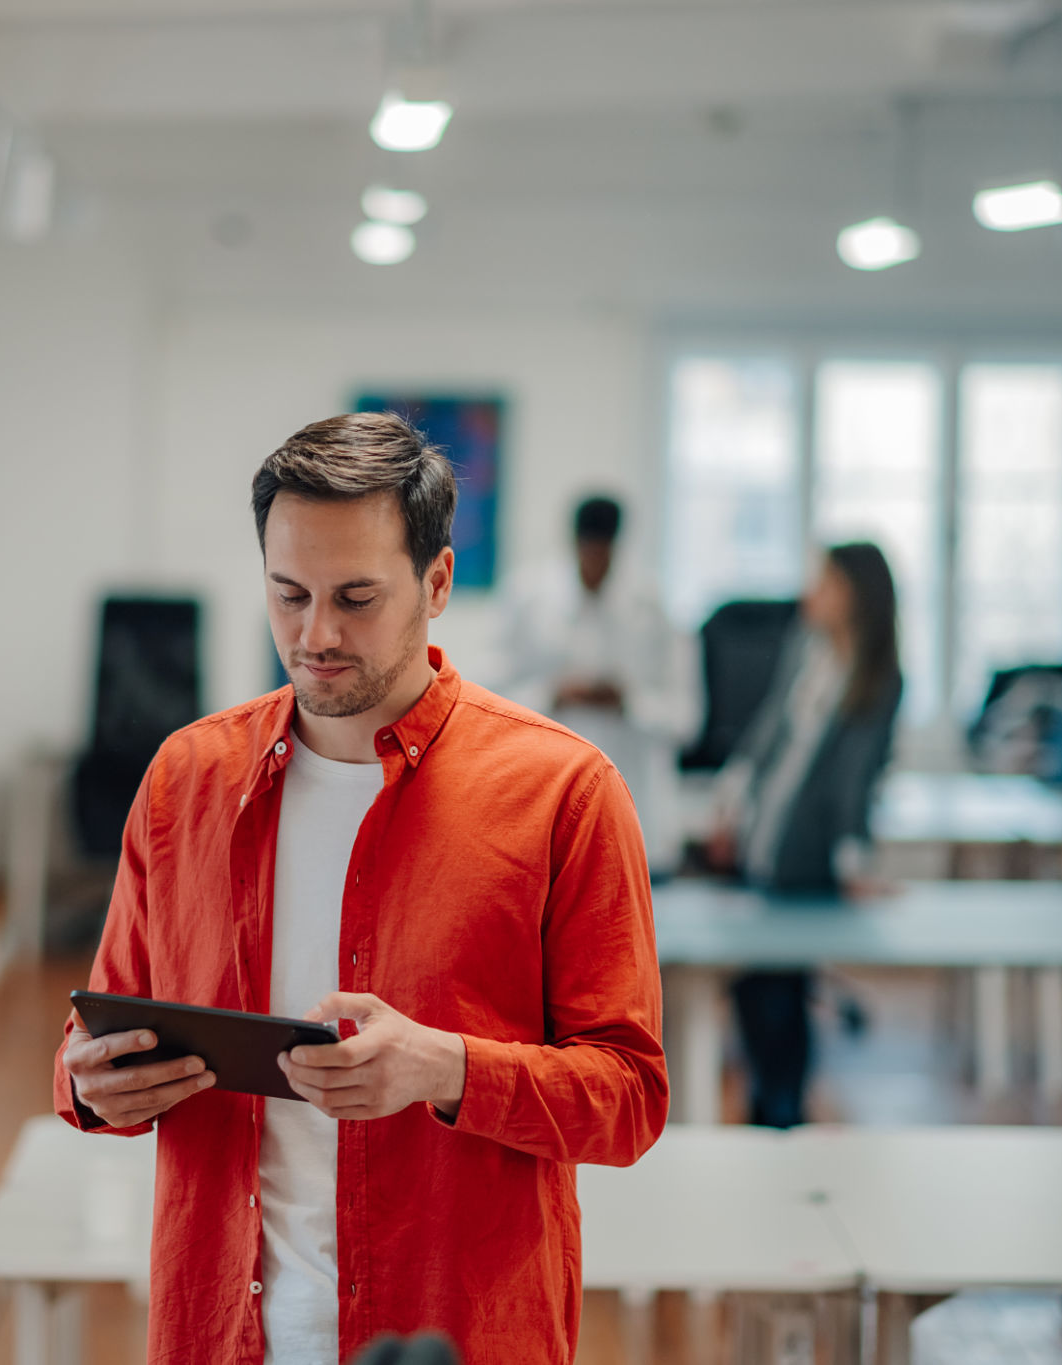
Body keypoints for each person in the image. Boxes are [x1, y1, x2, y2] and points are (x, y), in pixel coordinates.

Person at [53, 412, 669, 1365]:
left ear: (438, 582)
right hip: (219, 1334)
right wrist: (90, 1084)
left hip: (454, 1337)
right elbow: (91, 1039)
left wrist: (446, 1067)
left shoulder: (564, 791)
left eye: (356, 597)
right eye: (289, 594)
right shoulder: (186, 780)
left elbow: (629, 1096)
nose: (316, 634)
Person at [707, 542, 902, 1128]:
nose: (811, 593)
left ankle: (782, 1112)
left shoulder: (879, 679)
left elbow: (855, 783)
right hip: (763, 834)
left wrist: (853, 864)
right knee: (752, 985)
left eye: (826, 582)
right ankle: (770, 1107)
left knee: (780, 991)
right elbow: (768, 731)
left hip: (809, 854)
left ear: (856, 596)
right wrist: (731, 801)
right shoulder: (804, 650)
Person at [495, 495, 699, 877]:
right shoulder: (528, 600)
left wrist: (627, 703)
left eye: (603, 552)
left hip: (638, 817)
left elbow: (686, 720)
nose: (594, 561)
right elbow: (491, 706)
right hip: (544, 811)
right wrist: (554, 695)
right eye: (588, 550)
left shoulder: (654, 610)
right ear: (574, 543)